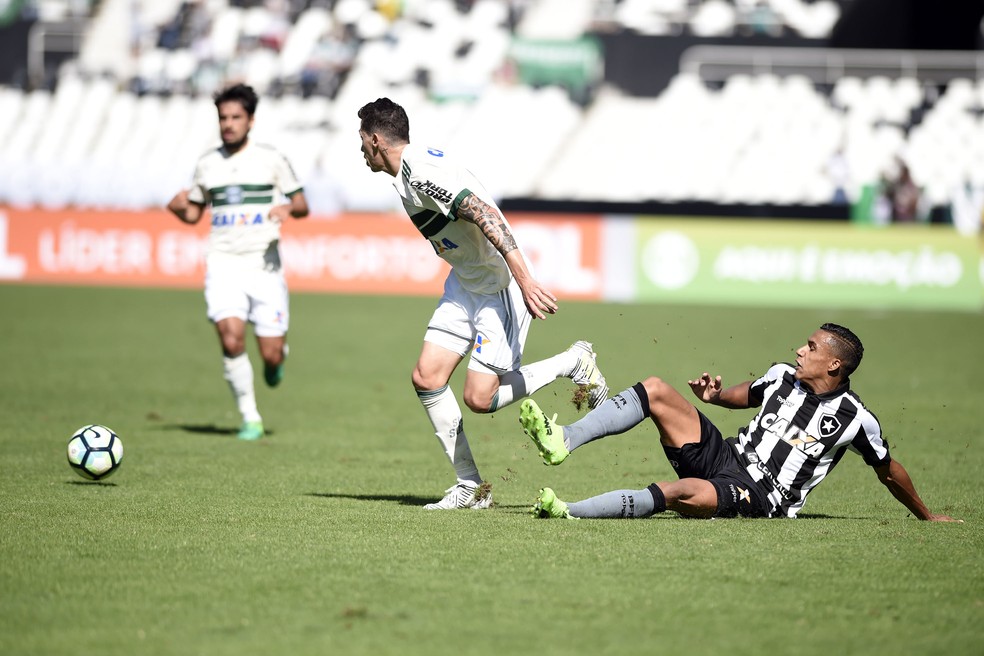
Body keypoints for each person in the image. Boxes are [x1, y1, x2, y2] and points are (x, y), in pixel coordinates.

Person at [357, 97, 609, 510]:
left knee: (479, 398)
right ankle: (469, 487)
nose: (361, 151)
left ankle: (573, 362)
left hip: (497, 285)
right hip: (465, 283)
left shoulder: (421, 172)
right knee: (427, 377)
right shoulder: (408, 171)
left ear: (375, 139)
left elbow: (483, 213)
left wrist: (524, 280)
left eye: (362, 142)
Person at [520, 323, 960, 523]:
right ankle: (563, 439)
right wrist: (712, 396)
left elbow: (888, 470)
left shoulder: (855, 419)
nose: (800, 351)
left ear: (834, 366)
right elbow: (744, 394)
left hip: (762, 494)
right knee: (655, 387)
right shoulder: (782, 376)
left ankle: (567, 511)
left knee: (679, 492)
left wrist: (926, 515)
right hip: (726, 455)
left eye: (811, 347)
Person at [167, 83, 309, 441]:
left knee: (271, 354)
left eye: (235, 117)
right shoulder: (207, 164)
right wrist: (178, 207)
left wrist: (287, 207)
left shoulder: (271, 158)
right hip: (223, 263)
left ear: (251, 120)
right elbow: (194, 214)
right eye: (223, 118)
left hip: (264, 267)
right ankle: (250, 418)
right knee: (231, 340)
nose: (228, 124)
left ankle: (276, 361)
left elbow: (303, 204)